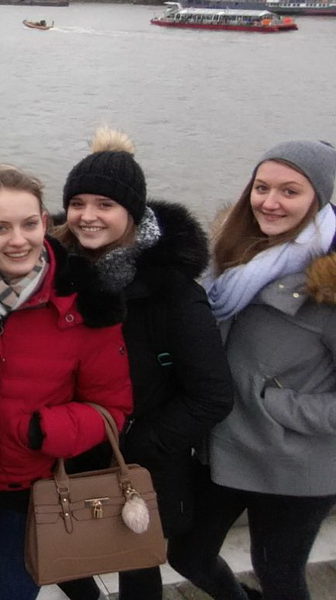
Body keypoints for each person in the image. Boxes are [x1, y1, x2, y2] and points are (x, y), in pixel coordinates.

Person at [0, 163, 132, 600]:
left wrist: (42, 431)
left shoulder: (82, 306)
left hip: (37, 492)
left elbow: (113, 409)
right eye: (0, 227)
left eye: (29, 224)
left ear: (45, 222)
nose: (18, 240)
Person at [52, 128, 233, 600]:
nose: (87, 216)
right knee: (63, 555)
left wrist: (135, 442)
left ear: (131, 213)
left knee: (137, 566)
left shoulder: (173, 293)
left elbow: (212, 395)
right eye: (77, 203)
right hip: (65, 449)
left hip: (142, 461)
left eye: (105, 205)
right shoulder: (52, 272)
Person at [168, 140, 336, 600]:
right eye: (261, 187)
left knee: (278, 573)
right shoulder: (231, 255)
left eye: (290, 191)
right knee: (188, 554)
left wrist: (276, 406)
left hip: (295, 460)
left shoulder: (328, 282)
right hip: (223, 445)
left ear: (318, 198)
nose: (270, 202)